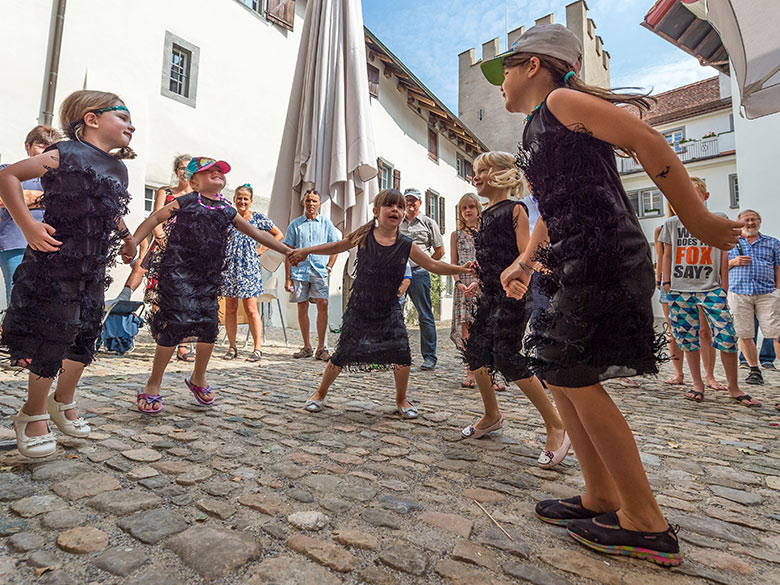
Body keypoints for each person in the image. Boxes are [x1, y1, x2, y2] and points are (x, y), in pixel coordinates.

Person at [485, 23, 741, 564]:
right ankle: (600, 495)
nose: (497, 82)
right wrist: (524, 261)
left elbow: (643, 139)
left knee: (574, 374)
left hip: (606, 255)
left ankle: (646, 522)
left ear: (532, 65)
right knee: (558, 371)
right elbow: (552, 210)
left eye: (502, 68)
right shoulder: (535, 127)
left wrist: (695, 218)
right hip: (574, 258)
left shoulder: (560, 100)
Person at [0, 90, 135, 457]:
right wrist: (27, 226)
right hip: (55, 262)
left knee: (86, 334)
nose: (130, 125)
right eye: (122, 117)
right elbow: (10, 176)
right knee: (52, 334)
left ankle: (64, 399)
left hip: (92, 266)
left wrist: (127, 239)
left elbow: (111, 210)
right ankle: (33, 410)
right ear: (91, 119)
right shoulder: (65, 153)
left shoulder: (118, 168)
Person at [123, 157, 292, 414]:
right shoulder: (187, 201)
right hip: (178, 273)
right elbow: (154, 219)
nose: (216, 173)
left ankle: (198, 377)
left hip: (208, 277)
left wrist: (289, 251)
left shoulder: (227, 209)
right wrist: (134, 242)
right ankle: (153, 383)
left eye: (219, 172)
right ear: (195, 181)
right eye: (209, 171)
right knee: (175, 324)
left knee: (209, 325)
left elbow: (257, 233)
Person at [288, 189, 473, 418]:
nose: (395, 209)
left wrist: (460, 269)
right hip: (361, 305)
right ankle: (319, 393)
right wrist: (306, 250)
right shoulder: (365, 235)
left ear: (404, 214)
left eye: (399, 207)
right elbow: (337, 246)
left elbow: (433, 265)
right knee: (342, 353)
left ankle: (401, 399)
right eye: (389, 205)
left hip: (389, 307)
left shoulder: (406, 244)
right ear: (376, 211)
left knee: (402, 354)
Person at [461, 152, 568, 470]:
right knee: (476, 354)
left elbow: (528, 251)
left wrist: (517, 274)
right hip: (491, 294)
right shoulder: (486, 213)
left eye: (481, 171)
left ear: (500, 175)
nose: (475, 176)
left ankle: (557, 426)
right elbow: (494, 255)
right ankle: (492, 416)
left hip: (513, 295)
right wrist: (478, 280)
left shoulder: (515, 209)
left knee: (507, 356)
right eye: (474, 171)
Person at [659, 178, 752, 405]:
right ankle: (697, 383)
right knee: (687, 338)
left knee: (727, 336)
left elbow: (722, 251)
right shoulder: (672, 223)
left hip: (710, 288)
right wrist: (667, 282)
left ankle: (733, 386)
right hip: (680, 289)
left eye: (695, 194)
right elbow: (668, 254)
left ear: (705, 196)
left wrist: (724, 284)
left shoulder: (717, 219)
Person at [655, 196, 727, 391]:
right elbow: (662, 256)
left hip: (699, 284)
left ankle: (709, 376)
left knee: (704, 331)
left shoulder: (708, 223)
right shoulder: (664, 227)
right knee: (675, 332)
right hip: (670, 284)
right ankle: (679, 373)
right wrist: (661, 281)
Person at [220, 183, 283, 362]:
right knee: (231, 308)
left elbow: (278, 234)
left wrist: (262, 250)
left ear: (251, 201)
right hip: (230, 266)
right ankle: (232, 347)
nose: (242, 201)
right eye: (239, 198)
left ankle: (257, 348)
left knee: (251, 308)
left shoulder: (257, 218)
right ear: (234, 199)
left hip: (249, 266)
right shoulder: (229, 218)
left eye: (245, 198)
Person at [143, 154, 193, 361]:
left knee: (187, 299)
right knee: (159, 297)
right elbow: (155, 219)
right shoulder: (166, 192)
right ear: (176, 171)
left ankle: (183, 345)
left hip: (189, 254)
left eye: (189, 169)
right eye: (181, 168)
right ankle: (164, 340)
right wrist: (163, 241)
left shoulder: (198, 195)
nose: (185, 172)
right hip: (164, 249)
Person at [283, 189, 339, 361]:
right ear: (304, 203)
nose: (311, 204)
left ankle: (321, 347)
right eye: (308, 200)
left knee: (323, 304)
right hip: (299, 272)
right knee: (302, 306)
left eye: (314, 201)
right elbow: (287, 251)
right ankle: (307, 346)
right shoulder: (295, 224)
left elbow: (335, 246)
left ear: (319, 204)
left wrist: (329, 267)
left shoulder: (326, 224)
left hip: (319, 271)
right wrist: (287, 277)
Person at [726, 209, 780, 386]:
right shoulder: (730, 242)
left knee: (776, 333)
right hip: (739, 292)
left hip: (767, 292)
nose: (750, 223)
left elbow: (778, 268)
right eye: (746, 220)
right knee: (745, 333)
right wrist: (733, 262)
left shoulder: (772, 243)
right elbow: (719, 268)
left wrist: (778, 290)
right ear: (739, 222)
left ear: (760, 221)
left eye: (754, 220)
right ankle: (754, 370)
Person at [400, 187, 445, 370]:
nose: (411, 203)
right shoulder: (397, 222)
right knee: (395, 314)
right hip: (399, 275)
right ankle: (397, 354)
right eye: (407, 200)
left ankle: (429, 357)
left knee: (425, 315)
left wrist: (427, 264)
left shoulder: (428, 223)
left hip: (419, 273)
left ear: (420, 203)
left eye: (414, 200)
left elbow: (440, 251)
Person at [450, 193, 481, 388]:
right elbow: (453, 263)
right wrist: (459, 283)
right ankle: (470, 372)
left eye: (471, 207)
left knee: (485, 328)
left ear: (478, 209)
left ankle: (489, 373)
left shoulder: (486, 233)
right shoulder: (456, 235)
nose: (468, 211)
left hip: (482, 285)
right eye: (464, 208)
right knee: (467, 330)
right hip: (463, 286)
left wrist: (479, 281)